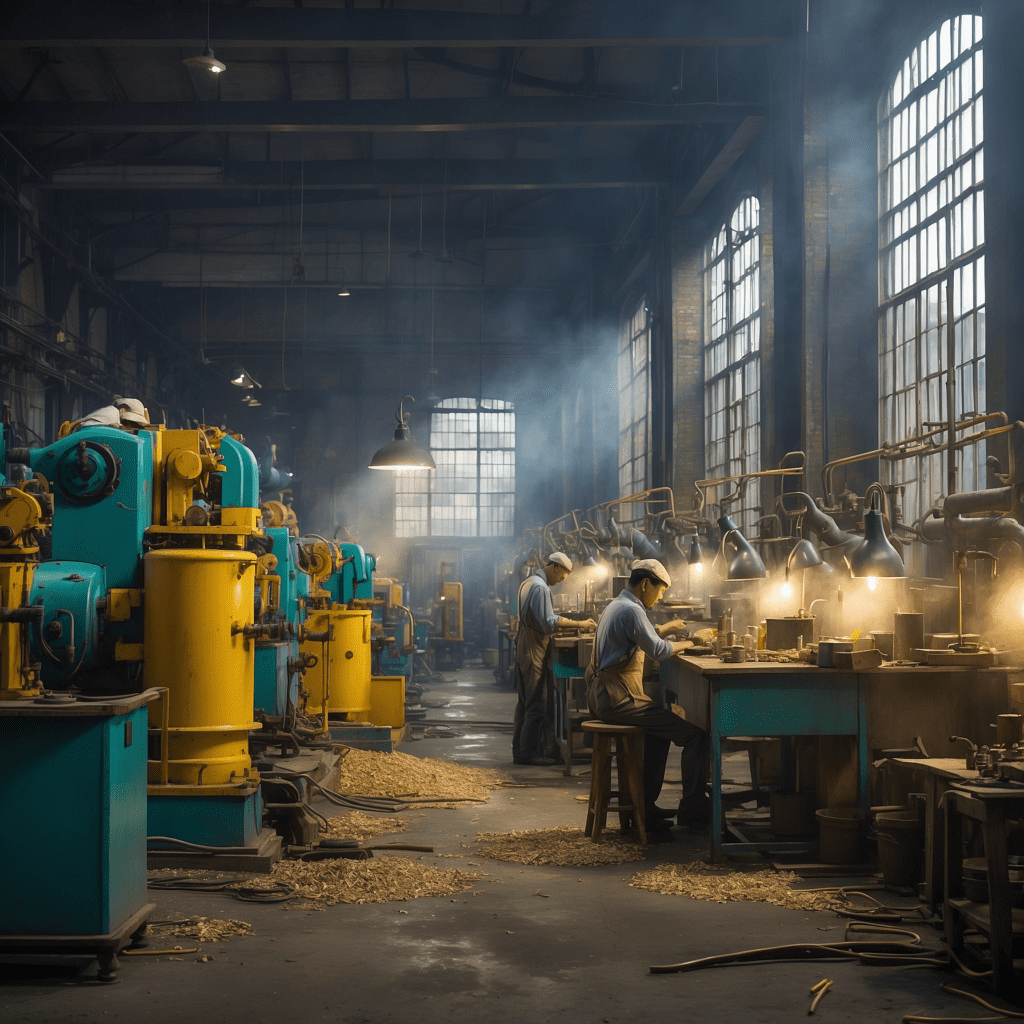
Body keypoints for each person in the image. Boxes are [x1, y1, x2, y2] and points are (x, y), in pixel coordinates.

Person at [586, 559, 710, 831]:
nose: (661, 596)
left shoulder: (617, 605)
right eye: (660, 590)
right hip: (617, 698)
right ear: (645, 584)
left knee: (659, 733)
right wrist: (692, 642)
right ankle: (692, 809)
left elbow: (643, 637)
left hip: (605, 695)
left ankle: (645, 806)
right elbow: (660, 651)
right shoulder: (632, 610)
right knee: (695, 735)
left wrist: (665, 631)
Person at [512, 552, 595, 766]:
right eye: (563, 575)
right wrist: (580, 624)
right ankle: (528, 754)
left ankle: (520, 752)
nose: (562, 580)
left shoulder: (529, 582)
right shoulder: (540, 587)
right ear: (555, 567)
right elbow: (549, 623)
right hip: (533, 645)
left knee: (524, 702)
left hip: (524, 642)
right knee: (536, 702)